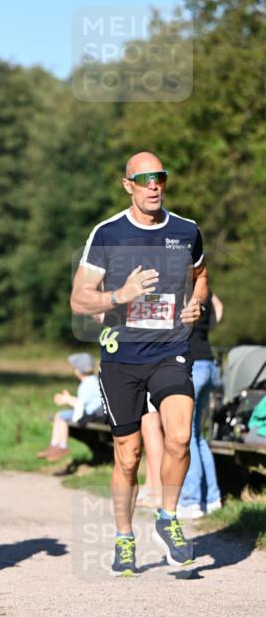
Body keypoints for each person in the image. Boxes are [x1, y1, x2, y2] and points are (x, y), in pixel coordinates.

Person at [70, 152, 209, 576]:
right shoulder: (108, 233)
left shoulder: (187, 231)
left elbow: (200, 277)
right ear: (128, 185)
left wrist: (196, 304)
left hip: (171, 349)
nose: (154, 185)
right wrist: (120, 296)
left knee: (180, 437)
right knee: (127, 456)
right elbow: (79, 299)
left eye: (160, 178)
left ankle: (168, 517)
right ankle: (125, 537)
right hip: (122, 355)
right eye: (144, 179)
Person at [177, 293, 223, 518]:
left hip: (193, 364)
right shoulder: (205, 289)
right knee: (197, 434)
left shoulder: (181, 286)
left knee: (185, 435)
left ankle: (191, 500)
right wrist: (205, 326)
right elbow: (218, 309)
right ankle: (212, 498)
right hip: (210, 363)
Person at [37, 353, 102, 461]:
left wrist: (66, 399)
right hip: (91, 413)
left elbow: (80, 404)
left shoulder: (87, 384)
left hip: (91, 415)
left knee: (62, 417)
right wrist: (68, 398)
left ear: (77, 371)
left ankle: (62, 446)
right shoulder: (92, 381)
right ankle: (54, 445)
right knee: (59, 415)